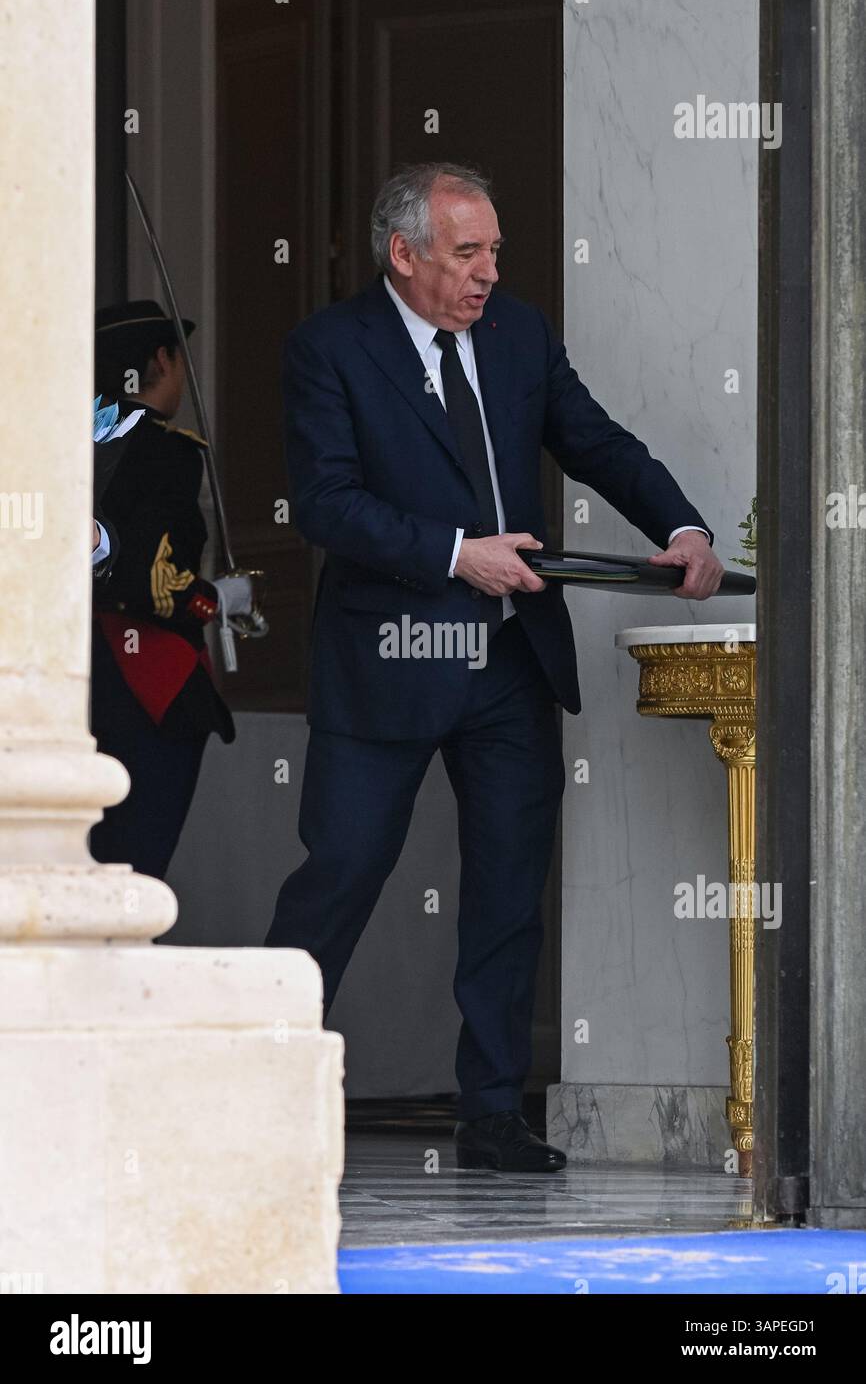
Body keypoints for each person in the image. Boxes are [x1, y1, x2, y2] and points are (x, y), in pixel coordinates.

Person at [265, 162, 723, 1171]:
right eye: (466, 253)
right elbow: (326, 501)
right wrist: (452, 551)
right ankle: (252, 1085)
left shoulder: (514, 334)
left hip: (508, 658)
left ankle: (489, 1115)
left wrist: (679, 524)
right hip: (387, 657)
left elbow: (590, 439)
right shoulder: (329, 348)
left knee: (508, 889)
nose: (487, 273)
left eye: (494, 252)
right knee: (339, 873)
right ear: (404, 253)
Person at [89, 300, 251, 880]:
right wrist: (217, 599)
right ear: (162, 358)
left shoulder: (66, 443)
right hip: (141, 682)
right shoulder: (165, 451)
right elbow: (156, 582)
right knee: (132, 872)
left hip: (69, 680)